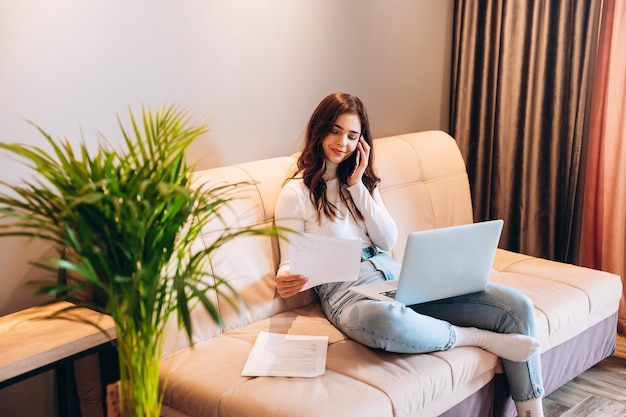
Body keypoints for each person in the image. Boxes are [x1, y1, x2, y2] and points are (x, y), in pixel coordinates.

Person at [274, 92, 545, 417]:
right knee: (386, 321)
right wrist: (286, 277)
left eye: (352, 135)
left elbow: (387, 239)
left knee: (517, 307)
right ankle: (478, 338)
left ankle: (532, 411)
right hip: (345, 293)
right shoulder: (295, 194)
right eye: (335, 130)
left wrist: (357, 186)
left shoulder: (363, 185)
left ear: (362, 142)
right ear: (319, 130)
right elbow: (288, 262)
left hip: (395, 276)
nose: (342, 142)